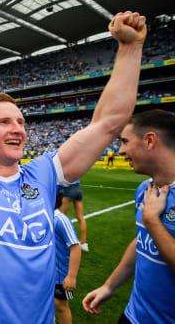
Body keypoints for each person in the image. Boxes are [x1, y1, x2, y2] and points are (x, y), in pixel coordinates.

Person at [0, 9, 146, 322]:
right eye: (5, 122)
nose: (18, 129)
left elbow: (109, 122)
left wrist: (130, 49)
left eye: (21, 122)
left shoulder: (43, 172)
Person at [82, 109, 175, 323]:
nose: (121, 150)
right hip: (133, 316)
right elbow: (142, 241)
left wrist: (152, 221)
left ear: (150, 141)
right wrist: (109, 286)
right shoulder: (145, 189)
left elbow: (151, 230)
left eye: (125, 141)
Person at [53, 192, 81, 324]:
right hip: (45, 273)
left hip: (61, 274)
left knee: (61, 305)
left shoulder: (60, 219)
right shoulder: (42, 216)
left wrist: (71, 276)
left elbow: (75, 246)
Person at [60, 180, 89, 251]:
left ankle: (62, 243)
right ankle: (83, 244)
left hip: (68, 189)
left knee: (60, 217)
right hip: (78, 189)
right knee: (80, 217)